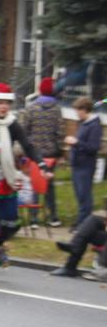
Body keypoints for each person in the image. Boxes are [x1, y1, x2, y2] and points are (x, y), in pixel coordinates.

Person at [0, 83, 51, 280]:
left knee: (12, 222)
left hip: (6, 175)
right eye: (0, 103)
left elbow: (28, 146)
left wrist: (41, 164)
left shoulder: (13, 125)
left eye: (7, 103)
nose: (4, 107)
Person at [23, 78, 63, 227]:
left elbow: (24, 130)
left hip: (34, 154)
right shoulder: (57, 109)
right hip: (51, 154)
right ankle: (52, 217)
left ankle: (34, 218)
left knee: (34, 184)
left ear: (40, 90)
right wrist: (59, 152)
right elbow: (60, 133)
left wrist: (27, 149)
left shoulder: (31, 108)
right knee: (49, 185)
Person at [65, 97, 101, 228]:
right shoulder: (83, 123)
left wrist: (76, 142)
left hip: (85, 166)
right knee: (80, 196)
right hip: (77, 165)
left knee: (85, 196)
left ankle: (83, 225)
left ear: (84, 110)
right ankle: (82, 221)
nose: (76, 114)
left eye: (77, 111)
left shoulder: (94, 126)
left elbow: (93, 147)